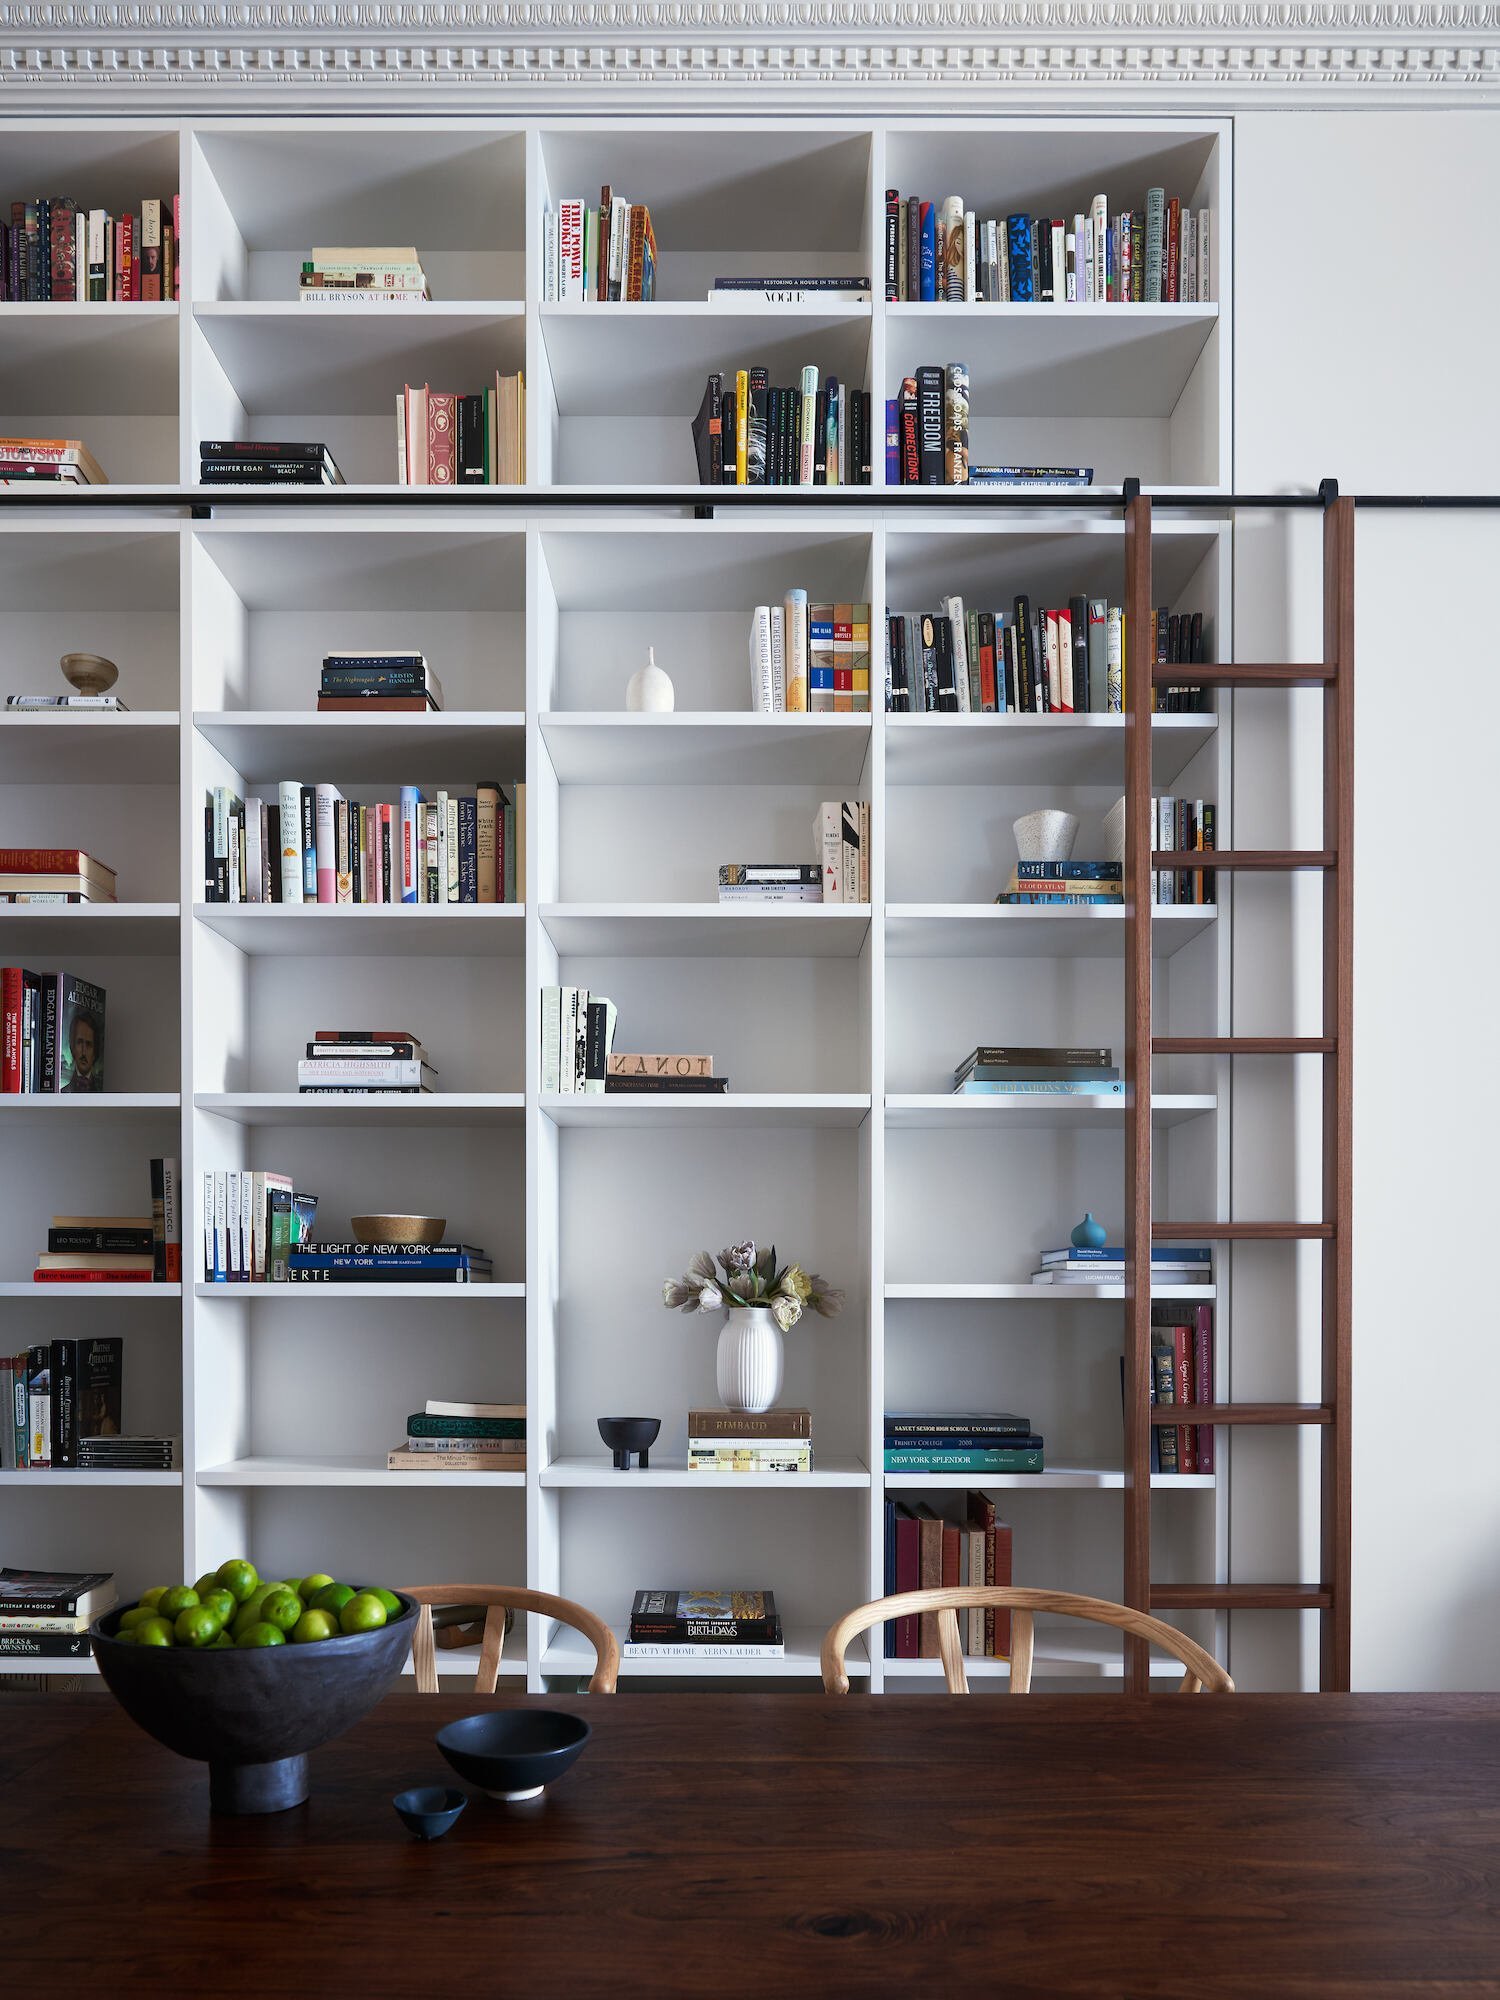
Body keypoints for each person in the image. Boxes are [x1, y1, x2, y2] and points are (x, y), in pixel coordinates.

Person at [63, 1009, 101, 1091]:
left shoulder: (100, 1091)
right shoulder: (62, 1092)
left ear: (95, 1052)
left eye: (88, 1044)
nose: (83, 1052)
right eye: (79, 1042)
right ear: (73, 1047)